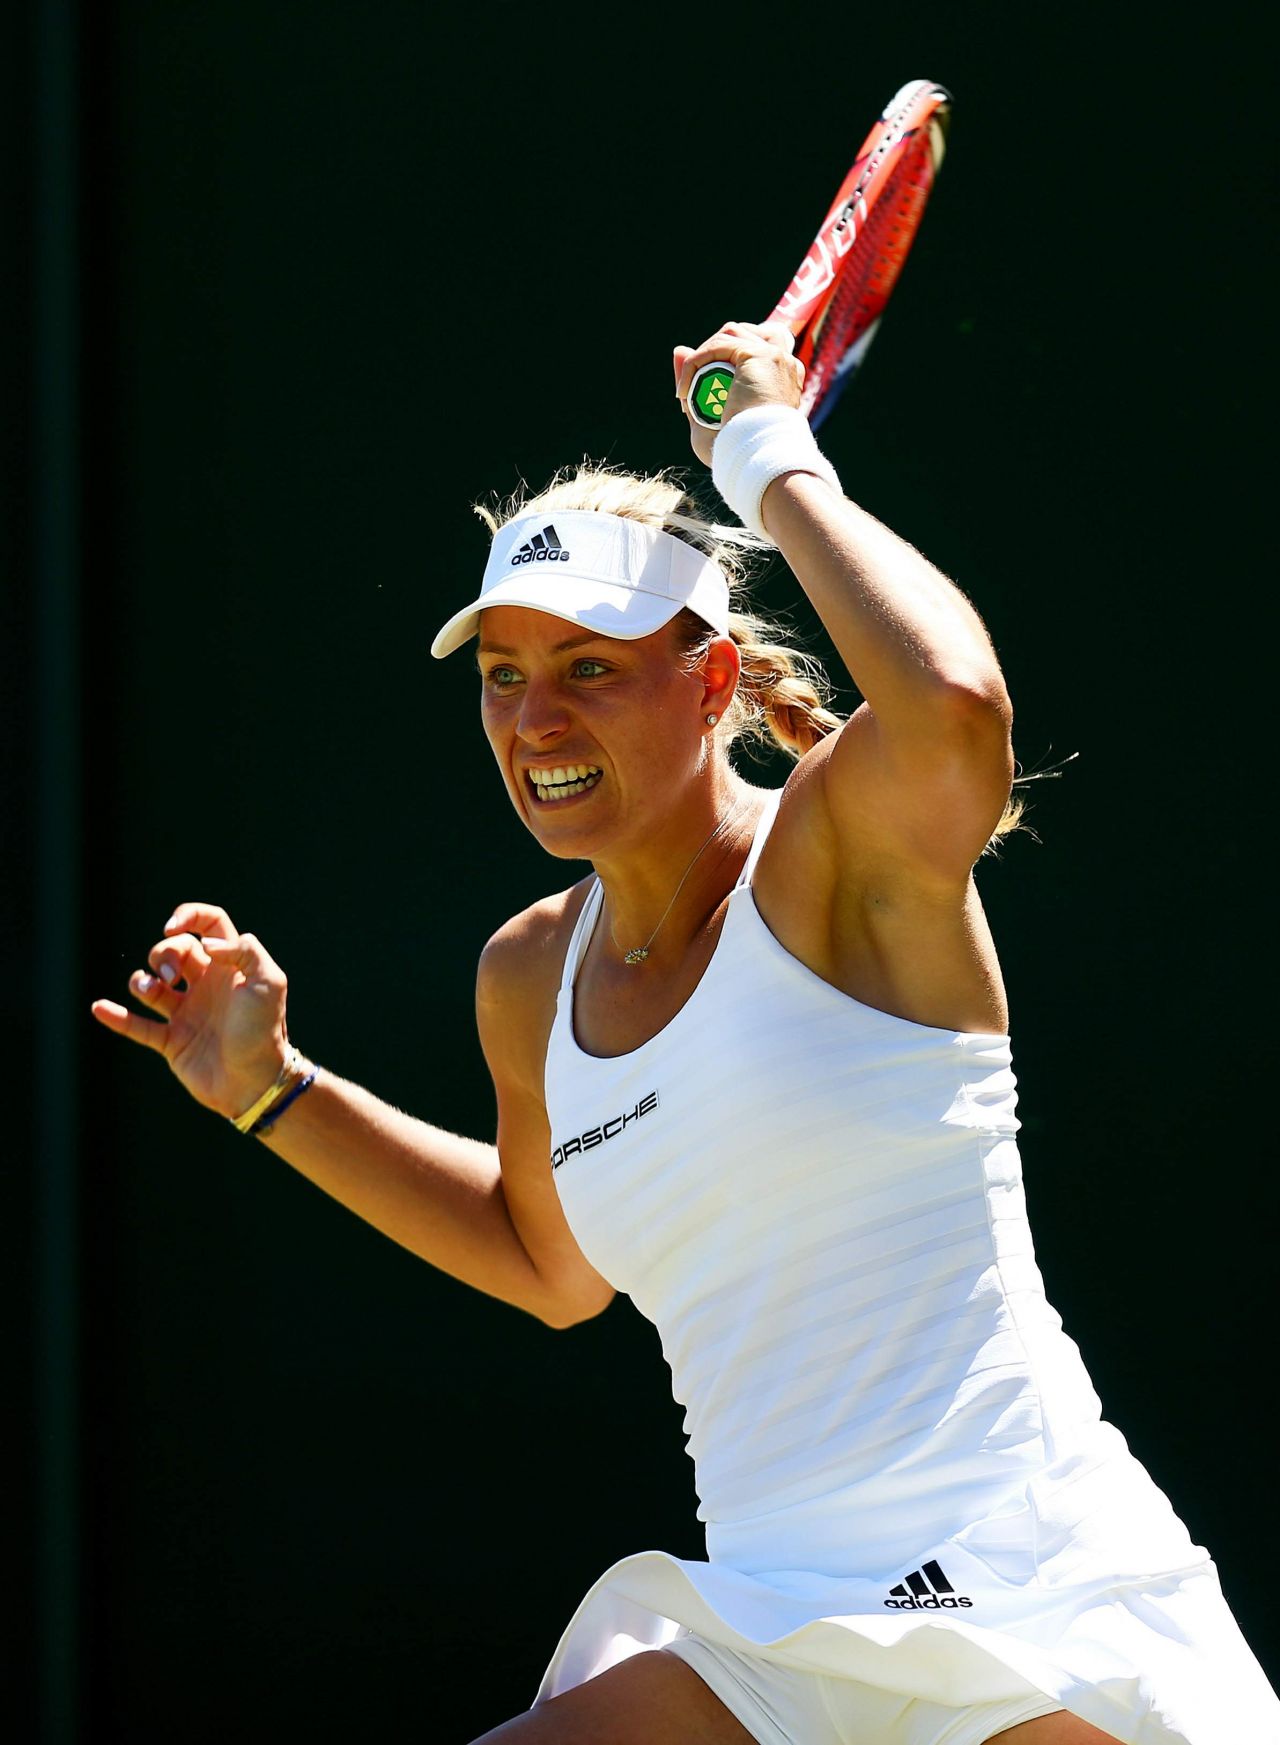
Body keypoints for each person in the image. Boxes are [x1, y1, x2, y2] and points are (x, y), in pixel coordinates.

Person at [92, 323, 1278, 1745]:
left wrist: (771, 453)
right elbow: (551, 1263)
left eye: (589, 666)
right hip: (770, 1630)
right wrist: (271, 1093)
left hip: (1032, 1584)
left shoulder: (842, 850)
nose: (534, 717)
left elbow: (956, 706)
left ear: (710, 684)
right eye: (502, 673)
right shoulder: (528, 975)